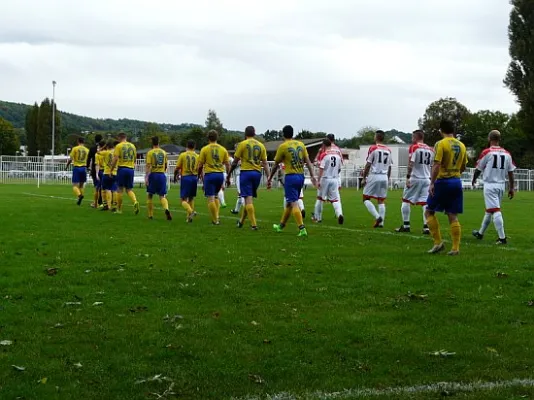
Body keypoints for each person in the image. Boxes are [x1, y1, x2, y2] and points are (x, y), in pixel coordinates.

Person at [425, 120, 468, 255]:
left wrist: (432, 183)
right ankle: (455, 248)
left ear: (440, 130)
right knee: (452, 215)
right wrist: (455, 174)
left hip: (443, 182)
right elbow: (463, 166)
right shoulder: (461, 145)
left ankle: (438, 243)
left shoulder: (441, 144)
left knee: (429, 211)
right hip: (456, 182)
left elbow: (437, 164)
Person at [267, 125, 317, 237]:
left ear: (283, 134)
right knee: (290, 203)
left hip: (291, 177)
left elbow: (275, 165)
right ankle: (281, 226)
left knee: (293, 202)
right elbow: (308, 161)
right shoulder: (301, 145)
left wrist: (270, 177)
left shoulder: (283, 146)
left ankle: (302, 228)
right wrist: (313, 175)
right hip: (301, 176)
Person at [471, 130, 516, 244]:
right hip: (501, 185)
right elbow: (511, 172)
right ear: (499, 139)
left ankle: (502, 238)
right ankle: (480, 233)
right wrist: (511, 187)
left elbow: (478, 168)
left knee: (495, 210)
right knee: (489, 210)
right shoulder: (507, 153)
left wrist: (474, 179)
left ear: (489, 139)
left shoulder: (487, 152)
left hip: (490, 185)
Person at [227, 126, 270, 230]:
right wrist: (269, 176)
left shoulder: (242, 144)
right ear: (254, 133)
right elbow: (265, 163)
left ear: (245, 134)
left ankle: (254, 224)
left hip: (246, 173)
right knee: (248, 198)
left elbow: (235, 162)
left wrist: (228, 175)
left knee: (248, 199)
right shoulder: (261, 145)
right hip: (257, 174)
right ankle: (241, 222)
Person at [395, 130, 434, 234]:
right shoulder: (430, 149)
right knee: (425, 203)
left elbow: (411, 163)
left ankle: (406, 225)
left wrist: (407, 177)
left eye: (412, 137)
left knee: (405, 200)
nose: (412, 139)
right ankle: (426, 227)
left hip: (415, 178)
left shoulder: (414, 147)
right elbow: (432, 165)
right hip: (426, 179)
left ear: (415, 137)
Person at [197, 130, 230, 225]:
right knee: (215, 196)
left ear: (208, 138)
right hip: (220, 175)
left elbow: (200, 165)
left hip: (210, 175)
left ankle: (216, 219)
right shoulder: (223, 149)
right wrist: (228, 176)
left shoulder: (205, 149)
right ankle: (217, 216)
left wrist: (199, 175)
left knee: (210, 198)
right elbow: (227, 165)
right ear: (217, 138)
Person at [361, 130, 392, 227]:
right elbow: (390, 166)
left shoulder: (373, 148)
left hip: (374, 175)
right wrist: (387, 178)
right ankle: (381, 223)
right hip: (384, 177)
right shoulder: (388, 150)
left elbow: (368, 165)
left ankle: (377, 216)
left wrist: (364, 177)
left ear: (376, 137)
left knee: (365, 198)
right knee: (381, 200)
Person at [313, 134, 343, 221]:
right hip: (335, 178)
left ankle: (318, 218)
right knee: (335, 199)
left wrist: (318, 180)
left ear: (324, 145)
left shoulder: (324, 153)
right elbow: (339, 168)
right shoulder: (337, 153)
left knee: (320, 198)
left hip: (325, 178)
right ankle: (339, 214)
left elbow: (321, 167)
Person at [110, 132, 139, 215]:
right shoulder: (132, 146)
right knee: (129, 189)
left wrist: (111, 169)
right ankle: (135, 201)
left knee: (119, 189)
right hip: (130, 169)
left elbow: (115, 159)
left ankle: (119, 209)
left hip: (122, 168)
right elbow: (135, 158)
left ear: (119, 138)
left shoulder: (118, 146)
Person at [145, 136, 172, 220]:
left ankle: (150, 215)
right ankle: (166, 209)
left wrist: (146, 177)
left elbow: (149, 166)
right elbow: (166, 165)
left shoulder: (150, 152)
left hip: (153, 175)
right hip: (161, 175)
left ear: (152, 143)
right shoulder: (164, 152)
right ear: (158, 142)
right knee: (162, 196)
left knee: (150, 195)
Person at [175, 140, 199, 223]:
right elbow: (199, 168)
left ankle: (191, 211)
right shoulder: (197, 156)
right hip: (194, 178)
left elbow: (177, 167)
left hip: (186, 177)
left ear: (187, 146)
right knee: (191, 198)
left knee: (183, 200)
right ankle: (189, 218)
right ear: (194, 147)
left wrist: (175, 176)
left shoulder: (183, 155)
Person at [66, 137, 89, 206]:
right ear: (83, 142)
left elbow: (71, 159)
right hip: (84, 168)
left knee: (75, 185)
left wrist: (67, 165)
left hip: (77, 167)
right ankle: (80, 199)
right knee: (81, 185)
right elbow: (88, 160)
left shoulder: (75, 148)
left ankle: (79, 195)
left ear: (78, 141)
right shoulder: (87, 150)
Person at [100, 140, 118, 211]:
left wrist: (103, 147)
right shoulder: (116, 152)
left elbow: (98, 152)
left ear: (107, 146)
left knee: (105, 189)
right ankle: (115, 206)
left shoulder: (106, 152)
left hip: (107, 172)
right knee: (114, 189)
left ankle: (106, 205)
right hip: (115, 173)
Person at [87, 134, 103, 208]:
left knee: (96, 186)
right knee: (104, 186)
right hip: (104, 169)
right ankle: (104, 201)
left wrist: (87, 167)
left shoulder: (92, 148)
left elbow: (89, 158)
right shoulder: (104, 148)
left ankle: (96, 202)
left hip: (95, 168)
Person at [94, 140, 106, 209]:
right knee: (108, 188)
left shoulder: (98, 154)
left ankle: (97, 203)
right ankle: (110, 203)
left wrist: (96, 173)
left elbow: (97, 165)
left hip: (101, 171)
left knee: (98, 188)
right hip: (108, 171)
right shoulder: (109, 153)